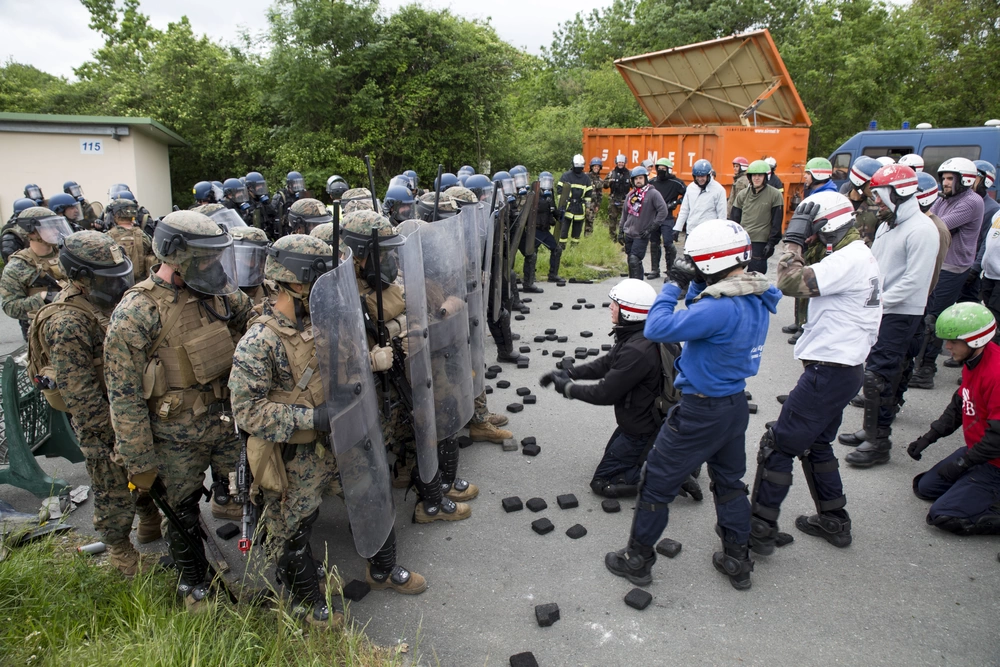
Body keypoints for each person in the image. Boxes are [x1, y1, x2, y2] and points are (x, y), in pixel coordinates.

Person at [604, 219, 781, 591]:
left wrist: (672, 285)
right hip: (733, 406)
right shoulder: (756, 295)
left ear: (712, 263)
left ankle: (637, 559)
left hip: (701, 409)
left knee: (655, 483)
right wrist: (698, 281)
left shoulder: (717, 310)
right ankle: (737, 559)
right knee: (730, 483)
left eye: (700, 264)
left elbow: (656, 328)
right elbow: (712, 292)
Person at [104, 210, 252, 612]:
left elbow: (254, 322)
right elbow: (124, 393)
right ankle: (193, 584)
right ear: (175, 255)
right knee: (181, 512)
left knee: (253, 488)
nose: (213, 265)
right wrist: (139, 459)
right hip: (173, 436)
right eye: (204, 257)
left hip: (224, 420)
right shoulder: (138, 311)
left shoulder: (218, 292)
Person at [750, 192, 880, 555]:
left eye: (814, 230)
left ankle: (758, 529)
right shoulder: (856, 254)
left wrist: (791, 240)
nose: (810, 238)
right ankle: (834, 519)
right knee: (816, 443)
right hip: (843, 368)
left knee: (778, 444)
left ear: (827, 226)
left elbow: (790, 283)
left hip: (829, 371)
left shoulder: (849, 260)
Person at [28, 230, 162, 575]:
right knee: (112, 487)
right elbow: (81, 395)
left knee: (144, 473)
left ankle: (149, 521)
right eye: (107, 279)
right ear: (82, 278)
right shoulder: (67, 322)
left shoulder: (104, 303)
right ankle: (121, 553)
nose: (117, 286)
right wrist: (113, 435)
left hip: (127, 407)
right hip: (100, 419)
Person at [342, 210, 477, 521]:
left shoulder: (389, 281)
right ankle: (422, 496)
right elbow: (332, 355)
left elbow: (412, 309)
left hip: (405, 371)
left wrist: (416, 329)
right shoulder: (343, 293)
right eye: (383, 253)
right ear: (360, 255)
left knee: (437, 418)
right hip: (369, 389)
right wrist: (368, 360)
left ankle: (433, 492)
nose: (391, 260)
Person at [542, 279, 701, 501]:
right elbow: (608, 363)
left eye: (615, 304)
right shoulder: (645, 334)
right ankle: (676, 457)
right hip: (651, 419)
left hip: (644, 428)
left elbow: (604, 393)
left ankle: (671, 476)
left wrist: (567, 388)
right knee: (612, 455)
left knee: (603, 482)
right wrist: (570, 374)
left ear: (630, 312)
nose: (610, 307)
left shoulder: (638, 350)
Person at [838, 165, 939, 467]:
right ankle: (870, 430)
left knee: (881, 376)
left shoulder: (922, 229)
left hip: (901, 313)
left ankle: (879, 442)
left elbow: (915, 280)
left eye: (880, 196)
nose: (876, 202)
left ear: (900, 193)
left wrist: (876, 303)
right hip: (882, 309)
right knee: (875, 372)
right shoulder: (888, 224)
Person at [908, 303, 1000, 536]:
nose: (947, 347)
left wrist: (962, 464)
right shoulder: (973, 360)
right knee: (924, 488)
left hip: (996, 461)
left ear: (976, 340)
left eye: (953, 342)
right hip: (980, 451)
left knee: (943, 516)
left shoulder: (996, 374)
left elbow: (997, 438)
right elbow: (959, 406)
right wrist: (928, 438)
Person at [910, 158, 984, 389]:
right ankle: (918, 362)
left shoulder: (972, 202)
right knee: (924, 314)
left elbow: (936, 224)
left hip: (953, 268)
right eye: (943, 178)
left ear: (966, 179)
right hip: (938, 264)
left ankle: (925, 370)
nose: (945, 182)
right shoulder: (946, 199)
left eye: (951, 178)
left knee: (933, 317)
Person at [0, 207, 73, 341]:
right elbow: (10, 307)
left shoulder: (69, 255)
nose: (56, 231)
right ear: (32, 232)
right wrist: (43, 297)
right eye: (49, 227)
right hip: (44, 333)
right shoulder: (17, 266)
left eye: (56, 226)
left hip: (78, 323)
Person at [954, 160, 999, 310]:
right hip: (954, 265)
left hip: (971, 269)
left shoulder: (992, 209)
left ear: (985, 181)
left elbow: (987, 242)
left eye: (975, 176)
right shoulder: (958, 202)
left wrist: (974, 269)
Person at [730, 159, 783, 275]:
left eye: (760, 175)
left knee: (756, 278)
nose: (756, 178)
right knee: (734, 275)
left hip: (760, 241)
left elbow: (777, 221)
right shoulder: (742, 194)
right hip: (742, 240)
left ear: (765, 177)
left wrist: (771, 243)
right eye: (754, 175)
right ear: (750, 177)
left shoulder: (775, 195)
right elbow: (734, 219)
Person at [619, 166, 668, 280]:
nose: (638, 181)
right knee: (631, 261)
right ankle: (635, 284)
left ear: (645, 178)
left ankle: (636, 287)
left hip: (642, 234)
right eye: (636, 179)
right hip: (629, 233)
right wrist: (621, 230)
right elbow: (625, 213)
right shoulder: (631, 194)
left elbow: (663, 210)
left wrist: (653, 227)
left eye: (640, 178)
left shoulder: (653, 193)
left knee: (634, 259)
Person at [646, 159, 685, 279]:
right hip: (654, 217)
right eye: (659, 168)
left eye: (664, 169)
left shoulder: (676, 183)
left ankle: (670, 270)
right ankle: (655, 269)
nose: (661, 171)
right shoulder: (652, 182)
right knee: (654, 243)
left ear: (669, 169)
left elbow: (688, 195)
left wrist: (676, 202)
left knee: (668, 243)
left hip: (668, 217)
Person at [673, 159, 726, 239]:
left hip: (708, 234)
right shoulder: (691, 188)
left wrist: (720, 233)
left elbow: (722, 215)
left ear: (708, 175)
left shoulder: (719, 190)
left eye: (703, 176)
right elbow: (684, 210)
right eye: (698, 176)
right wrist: (677, 228)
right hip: (691, 232)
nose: (700, 179)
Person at [106, 198, 155, 283]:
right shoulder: (143, 236)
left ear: (115, 215)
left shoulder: (108, 236)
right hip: (141, 284)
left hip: (118, 284)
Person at [839, 155, 884, 246]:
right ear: (859, 182)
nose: (876, 187)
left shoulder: (878, 207)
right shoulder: (838, 204)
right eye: (872, 183)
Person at [534, 171, 565, 283]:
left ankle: (553, 275)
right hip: (535, 230)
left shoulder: (550, 196)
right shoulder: (534, 194)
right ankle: (530, 277)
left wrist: (559, 214)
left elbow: (553, 210)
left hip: (545, 230)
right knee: (531, 253)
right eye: (544, 181)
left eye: (549, 182)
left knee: (557, 249)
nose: (547, 184)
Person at [556, 154, 593, 247]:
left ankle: (574, 249)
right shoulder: (566, 176)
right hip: (567, 207)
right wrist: (561, 205)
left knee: (577, 232)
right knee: (563, 231)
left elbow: (588, 195)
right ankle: (560, 248)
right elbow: (560, 191)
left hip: (580, 208)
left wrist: (587, 208)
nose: (578, 169)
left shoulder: (586, 179)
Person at [607, 155, 631, 241]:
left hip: (625, 200)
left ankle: (624, 237)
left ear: (625, 163)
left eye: (622, 162)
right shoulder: (611, 173)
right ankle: (612, 238)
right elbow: (605, 185)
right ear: (616, 162)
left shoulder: (629, 174)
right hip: (614, 200)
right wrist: (609, 181)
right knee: (612, 219)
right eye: (619, 162)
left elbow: (635, 186)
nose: (620, 164)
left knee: (626, 220)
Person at [585, 157, 605, 237]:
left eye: (598, 166)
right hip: (583, 202)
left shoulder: (600, 180)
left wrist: (598, 205)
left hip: (592, 204)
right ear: (591, 167)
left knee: (590, 222)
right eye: (595, 166)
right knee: (578, 221)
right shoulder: (585, 176)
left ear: (600, 168)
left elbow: (600, 194)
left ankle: (587, 238)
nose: (596, 167)